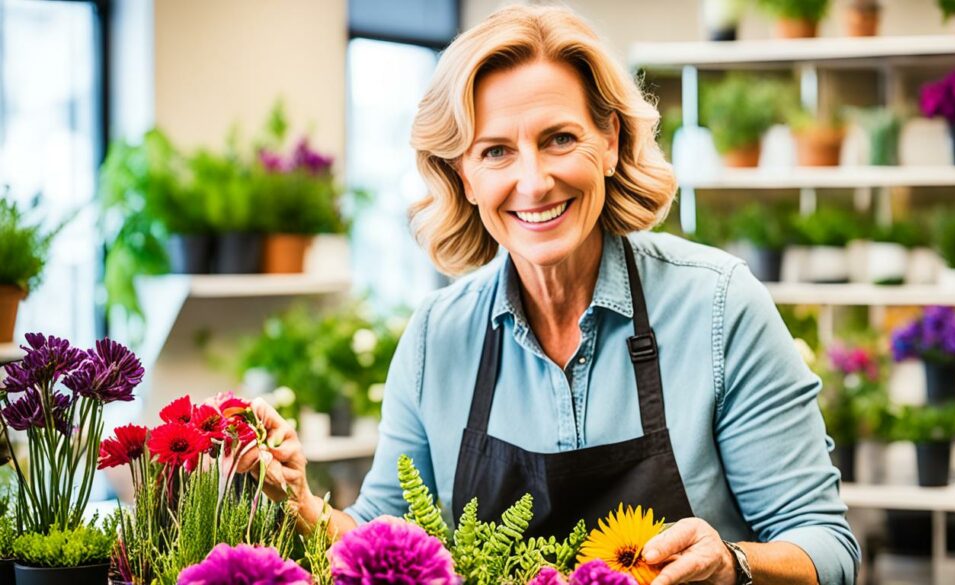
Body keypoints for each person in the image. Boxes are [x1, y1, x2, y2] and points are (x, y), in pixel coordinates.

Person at [239, 5, 860, 584]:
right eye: (497, 151)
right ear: (466, 175)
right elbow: (380, 535)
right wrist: (299, 501)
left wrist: (731, 562)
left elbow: (828, 546)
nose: (533, 182)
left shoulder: (718, 307)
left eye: (560, 138)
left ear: (610, 142)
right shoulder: (438, 335)